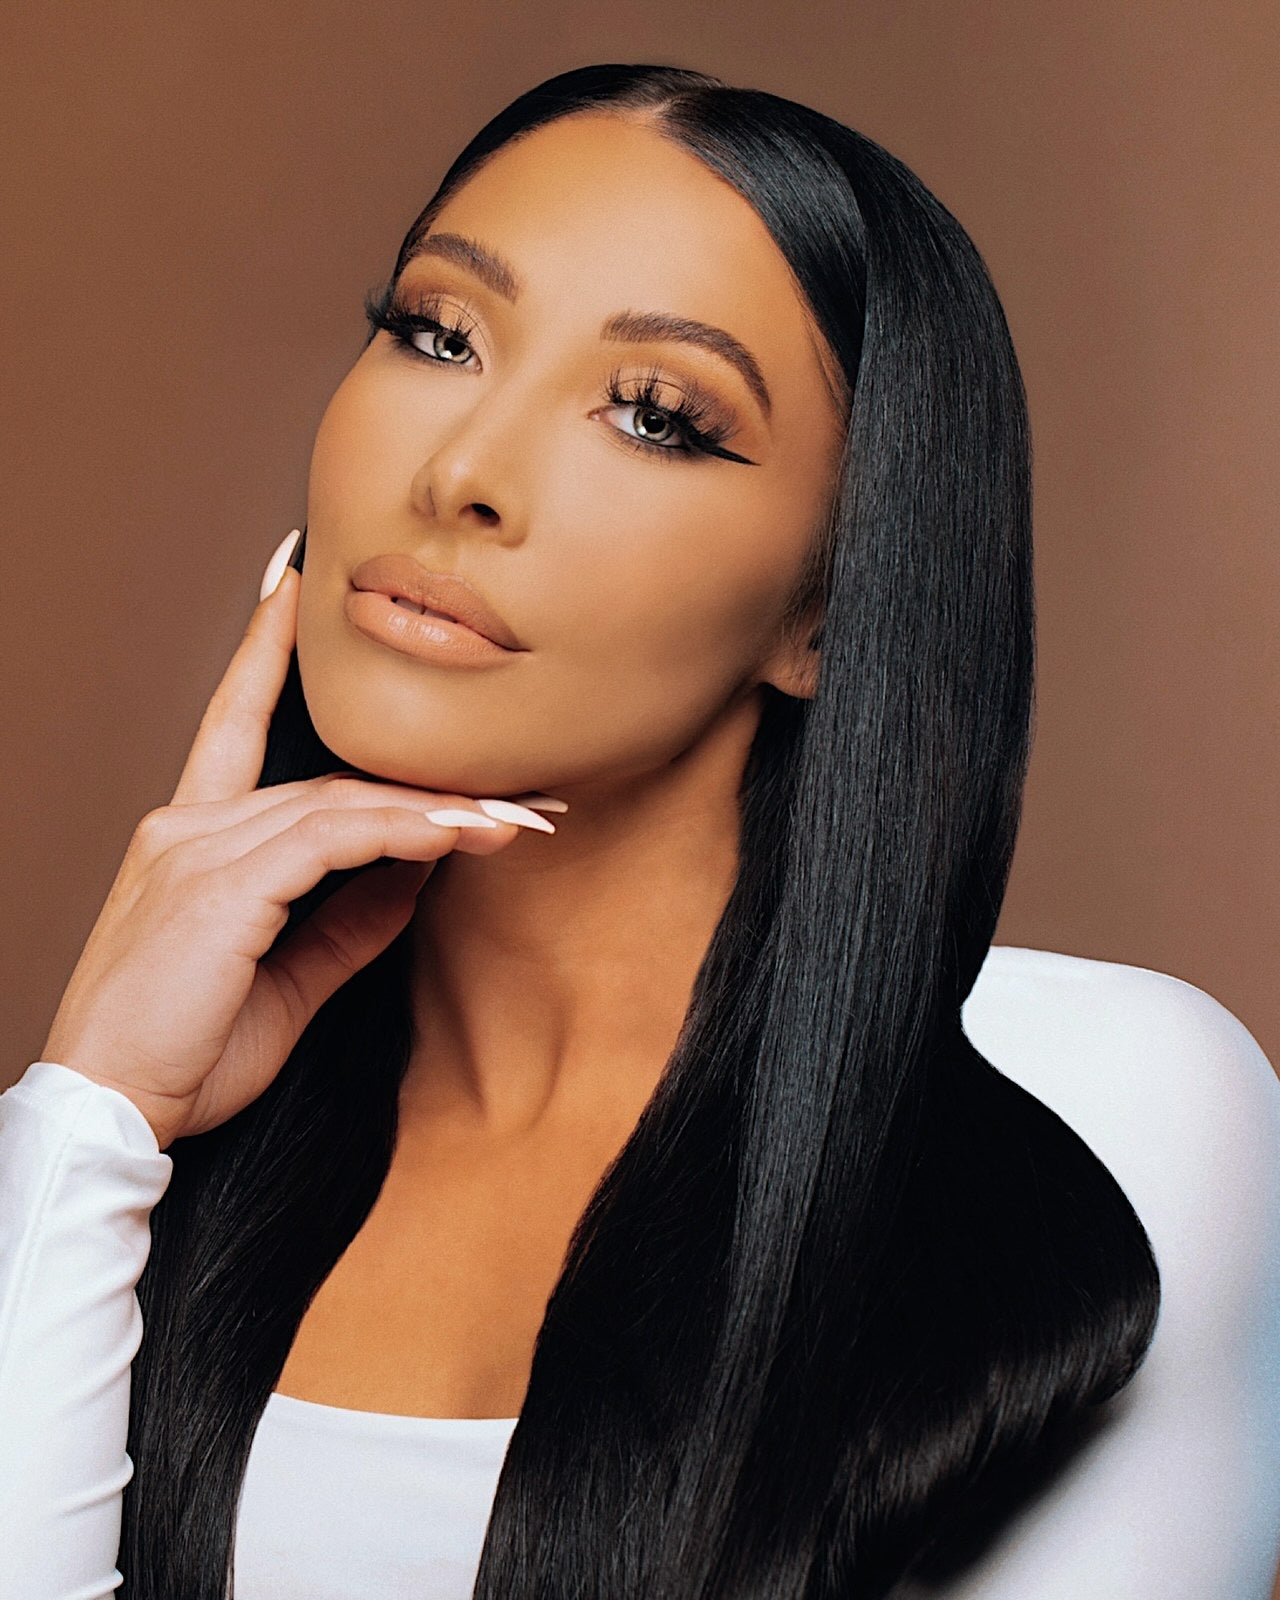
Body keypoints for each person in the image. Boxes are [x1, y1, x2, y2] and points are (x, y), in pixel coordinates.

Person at [1, 61, 1278, 1600]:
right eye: (438, 334)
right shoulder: (109, 1161)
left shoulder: (1108, 1113)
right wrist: (94, 1109)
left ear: (826, 611)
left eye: (658, 416)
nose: (460, 476)